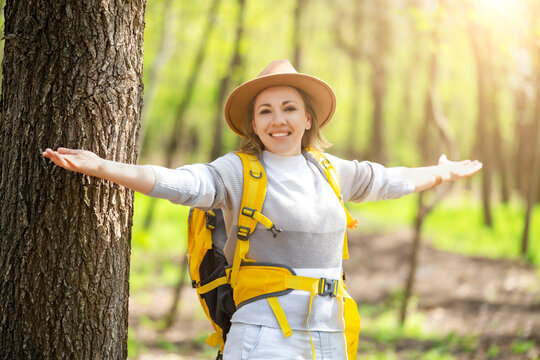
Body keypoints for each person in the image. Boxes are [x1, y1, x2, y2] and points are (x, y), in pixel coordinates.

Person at [43, 59, 482, 359]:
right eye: (266, 111)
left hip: (331, 332)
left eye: (289, 108)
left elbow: (389, 179)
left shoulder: (331, 170)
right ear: (253, 124)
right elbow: (180, 183)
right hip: (263, 335)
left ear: (309, 118)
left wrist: (439, 173)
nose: (278, 120)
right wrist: (105, 167)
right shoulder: (238, 172)